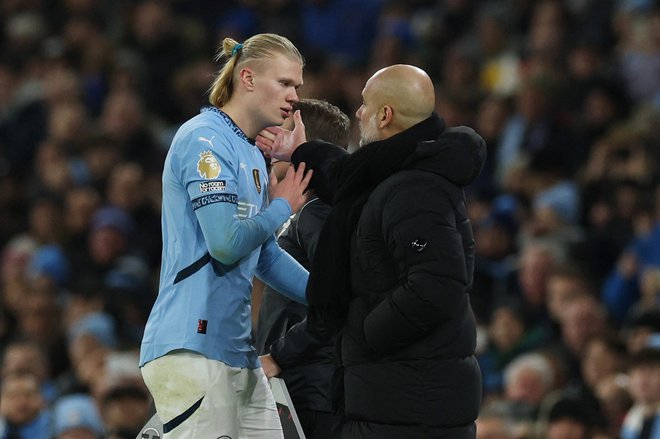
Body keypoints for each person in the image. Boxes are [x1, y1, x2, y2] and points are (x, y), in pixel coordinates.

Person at [257, 64, 485, 438]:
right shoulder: (397, 173)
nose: (358, 114)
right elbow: (349, 180)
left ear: (385, 115)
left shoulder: (416, 189)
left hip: (411, 405)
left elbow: (436, 288)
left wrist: (363, 333)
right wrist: (301, 151)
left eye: (365, 105)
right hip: (394, 399)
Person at [139, 33, 313, 439]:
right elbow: (226, 244)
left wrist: (329, 293)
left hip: (238, 356)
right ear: (248, 78)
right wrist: (283, 205)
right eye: (285, 83)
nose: (294, 97)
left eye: (298, 87)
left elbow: (263, 255)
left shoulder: (251, 152)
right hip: (191, 349)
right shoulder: (204, 139)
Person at [255, 98, 351, 439]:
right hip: (303, 384)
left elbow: (337, 299)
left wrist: (280, 356)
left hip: (311, 388)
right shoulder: (306, 212)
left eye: (278, 134)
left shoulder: (318, 213)